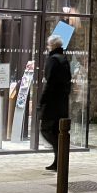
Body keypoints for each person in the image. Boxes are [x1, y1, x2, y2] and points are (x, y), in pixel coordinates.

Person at [38, 34, 72, 171]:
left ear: (52, 45)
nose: (47, 47)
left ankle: (60, 155)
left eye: (48, 45)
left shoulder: (53, 60)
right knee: (56, 131)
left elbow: (50, 83)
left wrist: (42, 100)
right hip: (62, 103)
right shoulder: (64, 59)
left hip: (52, 103)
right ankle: (58, 160)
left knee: (46, 130)